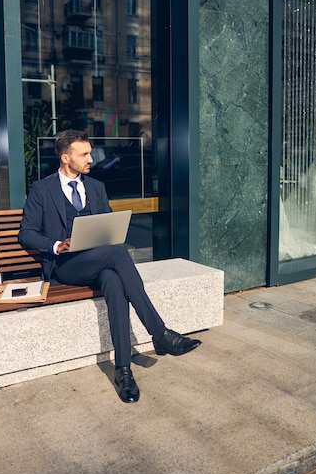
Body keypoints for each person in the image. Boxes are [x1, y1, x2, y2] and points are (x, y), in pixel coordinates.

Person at [18, 129, 201, 403]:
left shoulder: (96, 187)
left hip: (98, 261)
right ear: (66, 158)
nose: (91, 158)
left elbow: (108, 228)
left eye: (90, 152)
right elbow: (26, 233)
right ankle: (159, 333)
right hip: (65, 266)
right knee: (116, 254)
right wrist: (57, 244)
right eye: (85, 154)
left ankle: (123, 370)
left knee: (114, 281)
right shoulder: (42, 189)